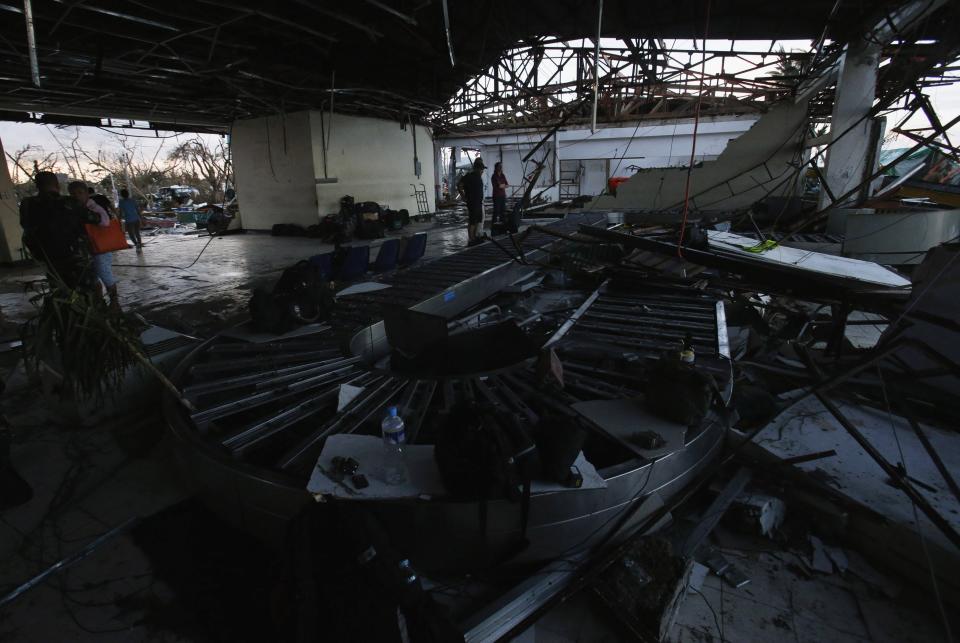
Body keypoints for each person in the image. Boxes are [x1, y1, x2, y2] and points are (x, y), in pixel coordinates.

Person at [19, 172, 99, 290]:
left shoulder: (27, 204)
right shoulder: (68, 202)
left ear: (37, 186)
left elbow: (24, 224)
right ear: (57, 185)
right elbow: (95, 218)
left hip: (48, 257)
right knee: (86, 289)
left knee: (60, 290)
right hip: (75, 256)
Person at [67, 181, 119, 309]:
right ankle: (99, 300)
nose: (76, 196)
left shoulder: (93, 207)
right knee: (93, 277)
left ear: (86, 193)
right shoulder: (72, 209)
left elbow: (105, 221)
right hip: (86, 250)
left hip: (100, 248)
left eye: (80, 193)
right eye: (73, 194)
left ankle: (114, 301)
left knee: (104, 273)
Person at [457, 157, 486, 245]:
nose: (482, 171)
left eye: (483, 170)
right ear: (477, 169)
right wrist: (463, 196)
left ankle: (475, 237)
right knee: (473, 221)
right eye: (481, 170)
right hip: (472, 202)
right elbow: (459, 185)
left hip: (478, 202)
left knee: (478, 220)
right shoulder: (469, 176)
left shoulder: (478, 177)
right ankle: (471, 239)